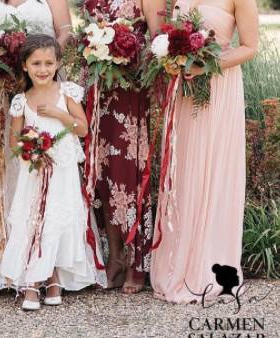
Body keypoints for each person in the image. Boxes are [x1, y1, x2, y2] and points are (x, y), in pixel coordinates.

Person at [150, 0, 258, 303]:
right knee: (183, 170)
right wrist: (172, 60)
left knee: (212, 168)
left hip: (219, 87)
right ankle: (176, 264)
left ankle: (209, 266)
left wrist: (205, 65)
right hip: (183, 92)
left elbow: (250, 47)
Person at [0, 0, 75, 292]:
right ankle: (2, 260)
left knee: (46, 169)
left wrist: (41, 60)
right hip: (3, 91)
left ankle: (50, 261)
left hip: (42, 84)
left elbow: (65, 31)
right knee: (6, 159)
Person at [0, 34, 104, 311]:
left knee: (56, 222)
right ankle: (36, 281)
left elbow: (82, 129)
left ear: (58, 63)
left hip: (63, 169)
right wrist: (32, 149)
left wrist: (60, 114)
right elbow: (14, 141)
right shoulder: (21, 100)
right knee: (35, 221)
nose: (43, 69)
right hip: (35, 170)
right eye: (36, 63)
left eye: (48, 63)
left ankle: (53, 277)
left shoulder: (66, 92)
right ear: (25, 66)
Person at [86, 0, 165, 294]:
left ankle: (137, 259)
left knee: (128, 174)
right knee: (103, 173)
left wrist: (125, 52)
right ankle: (115, 256)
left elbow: (159, 41)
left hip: (130, 91)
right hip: (99, 90)